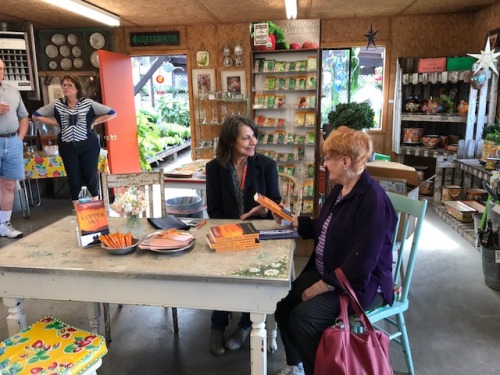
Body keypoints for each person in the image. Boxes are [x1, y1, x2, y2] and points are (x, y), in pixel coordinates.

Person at [274, 126, 397, 375]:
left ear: (345, 161)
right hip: (330, 272)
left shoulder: (373, 201)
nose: (325, 164)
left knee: (303, 319)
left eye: (328, 158)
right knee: (283, 307)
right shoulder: (341, 189)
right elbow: (324, 228)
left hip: (358, 285)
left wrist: (320, 286)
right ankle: (298, 364)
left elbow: (361, 265)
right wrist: (296, 221)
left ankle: (321, 370)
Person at [205, 114, 282, 356]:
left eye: (254, 136)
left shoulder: (266, 165)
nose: (253, 142)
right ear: (230, 141)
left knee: (253, 278)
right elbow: (214, 209)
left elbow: (276, 203)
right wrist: (232, 230)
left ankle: (246, 325)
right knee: (220, 276)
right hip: (227, 234)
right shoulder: (214, 168)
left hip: (258, 234)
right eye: (246, 137)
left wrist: (265, 207)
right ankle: (217, 326)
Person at [32, 75, 116, 207]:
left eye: (69, 85)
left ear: (77, 88)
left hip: (88, 145)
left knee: (91, 175)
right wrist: (56, 123)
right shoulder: (57, 104)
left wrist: (94, 121)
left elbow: (112, 112)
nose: (65, 88)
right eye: (64, 85)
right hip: (67, 146)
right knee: (73, 177)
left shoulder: (88, 103)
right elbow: (36, 115)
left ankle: (95, 208)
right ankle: (77, 209)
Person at [0, 58, 29, 238]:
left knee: (9, 184)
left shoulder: (12, 91)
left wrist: (19, 139)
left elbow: (23, 116)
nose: (0, 72)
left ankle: (4, 224)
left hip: (12, 141)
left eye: (1, 69)